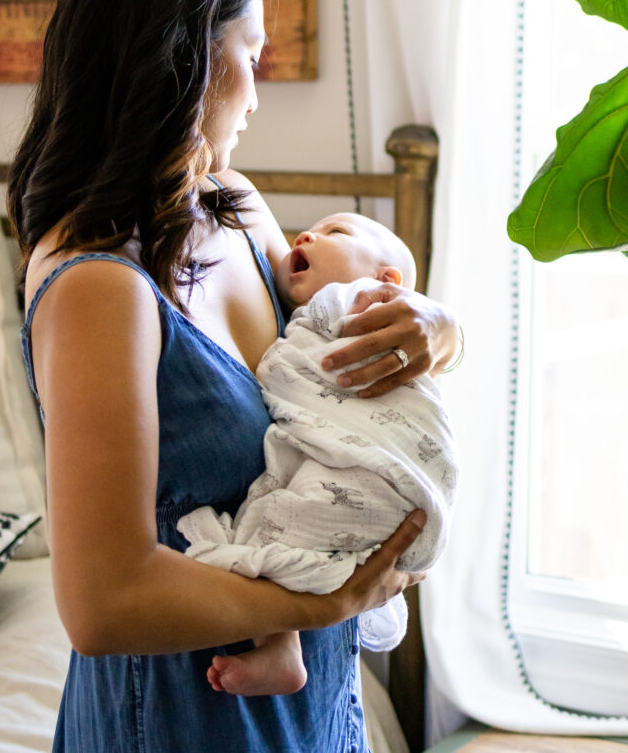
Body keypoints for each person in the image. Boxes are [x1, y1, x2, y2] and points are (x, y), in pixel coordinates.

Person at [7, 0, 461, 753]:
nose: (258, 89)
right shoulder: (99, 285)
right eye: (250, 56)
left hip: (312, 705)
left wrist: (436, 325)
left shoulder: (233, 208)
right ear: (184, 60)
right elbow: (103, 604)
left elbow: (332, 359)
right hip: (182, 718)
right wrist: (327, 604)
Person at [179, 211, 459, 698]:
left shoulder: (357, 302)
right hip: (348, 469)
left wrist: (445, 327)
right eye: (309, 232)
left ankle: (282, 646)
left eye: (337, 233)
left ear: (385, 279)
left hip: (376, 471)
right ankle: (283, 643)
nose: (305, 235)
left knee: (271, 524)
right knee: (282, 518)